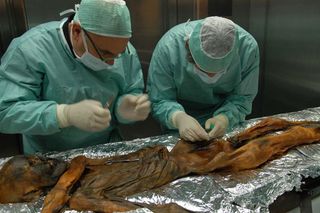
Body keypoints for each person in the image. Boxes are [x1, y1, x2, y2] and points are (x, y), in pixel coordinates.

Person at [0, 0, 151, 154]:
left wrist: (122, 109)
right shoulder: (31, 49)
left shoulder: (121, 51)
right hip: (48, 158)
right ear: (77, 31)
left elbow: (132, 90)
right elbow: (5, 112)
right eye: (105, 54)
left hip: (106, 151)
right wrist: (64, 115)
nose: (112, 62)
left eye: (119, 53)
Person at [147, 16, 259, 142]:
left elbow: (242, 98)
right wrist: (178, 118)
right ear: (188, 45)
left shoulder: (247, 48)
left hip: (224, 123)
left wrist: (225, 118)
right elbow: (160, 99)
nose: (211, 78)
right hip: (178, 122)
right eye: (203, 70)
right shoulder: (169, 47)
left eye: (219, 72)